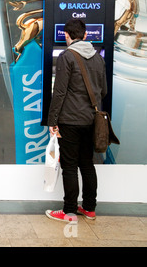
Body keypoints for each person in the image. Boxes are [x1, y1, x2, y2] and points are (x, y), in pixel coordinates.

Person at [46, 19, 107, 222]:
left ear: (66, 35)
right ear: (86, 35)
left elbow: (60, 92)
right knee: (87, 164)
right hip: (91, 120)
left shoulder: (67, 57)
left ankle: (69, 211)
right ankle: (89, 208)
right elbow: (104, 91)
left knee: (70, 166)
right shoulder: (98, 58)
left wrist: (52, 121)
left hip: (70, 121)